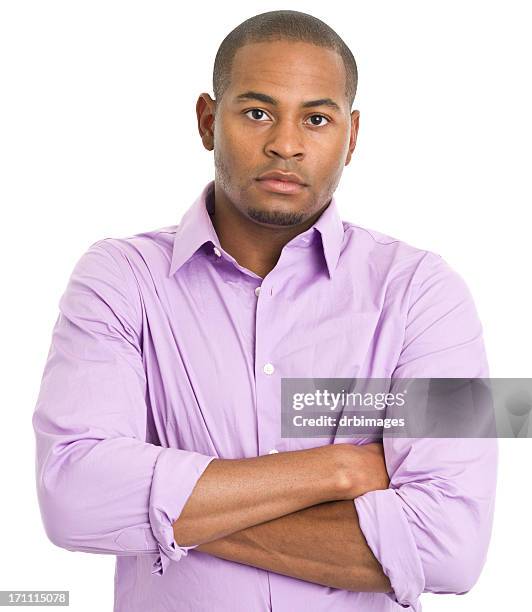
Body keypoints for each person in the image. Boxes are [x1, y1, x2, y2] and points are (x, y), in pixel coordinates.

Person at [32, 10, 498, 612]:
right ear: (208, 120)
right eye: (256, 112)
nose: (285, 142)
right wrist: (334, 471)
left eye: (317, 118)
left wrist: (166, 513)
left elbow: (452, 549)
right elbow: (72, 498)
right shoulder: (118, 279)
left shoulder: (429, 294)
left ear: (352, 136)